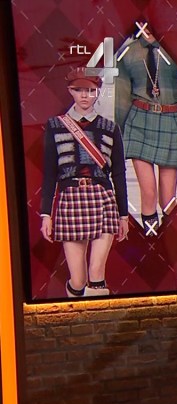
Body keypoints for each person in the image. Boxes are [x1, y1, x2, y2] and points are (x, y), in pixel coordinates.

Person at [40, 68, 130, 298]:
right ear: (70, 91)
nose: (84, 95)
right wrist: (46, 214)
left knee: (97, 273)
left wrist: (123, 215)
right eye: (79, 90)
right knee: (78, 280)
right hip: (70, 199)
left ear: (97, 92)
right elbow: (49, 173)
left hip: (103, 199)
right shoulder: (55, 125)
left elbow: (118, 173)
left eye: (90, 90)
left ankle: (97, 320)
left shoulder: (110, 128)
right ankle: (77, 312)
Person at [115, 25, 177, 236]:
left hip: (171, 121)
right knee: (149, 193)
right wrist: (117, 137)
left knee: (168, 201)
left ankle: (173, 245)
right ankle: (152, 242)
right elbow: (122, 98)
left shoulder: (175, 49)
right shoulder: (128, 53)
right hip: (138, 122)